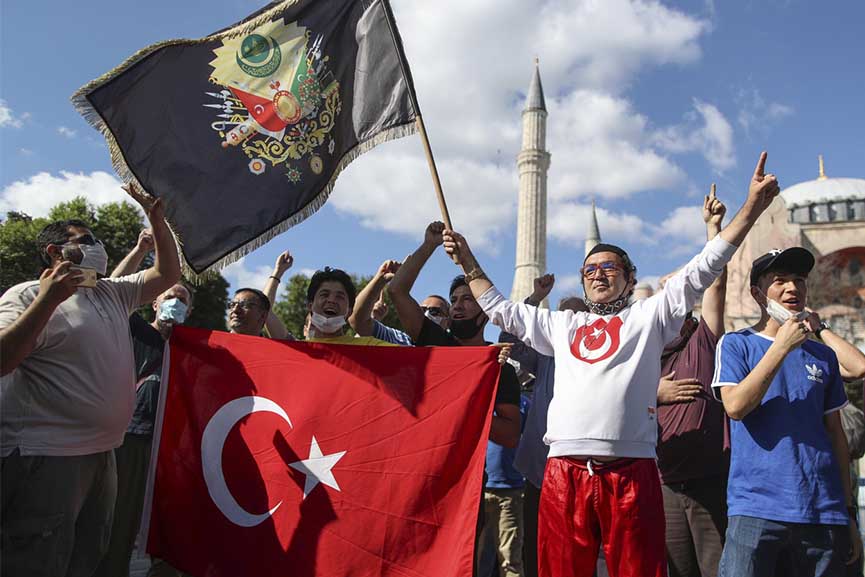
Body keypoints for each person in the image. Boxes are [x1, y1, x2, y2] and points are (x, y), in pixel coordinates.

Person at [440, 151, 782, 577]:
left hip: (633, 475)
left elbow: (705, 266)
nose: (599, 275)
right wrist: (467, 260)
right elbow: (498, 310)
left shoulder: (649, 316)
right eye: (589, 270)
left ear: (629, 278)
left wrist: (752, 207)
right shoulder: (561, 324)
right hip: (563, 474)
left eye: (609, 267)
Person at [0, 183, 181, 577]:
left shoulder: (111, 293)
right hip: (47, 455)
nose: (98, 246)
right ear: (54, 253)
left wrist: (157, 220)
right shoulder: (25, 295)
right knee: (38, 560)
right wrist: (48, 300)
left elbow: (169, 273)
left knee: (87, 555)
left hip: (103, 455)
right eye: (86, 240)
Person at [712, 246, 865, 577]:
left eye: (799, 280)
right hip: (757, 511)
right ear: (757, 293)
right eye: (779, 280)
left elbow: (837, 433)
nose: (792, 288)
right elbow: (736, 406)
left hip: (823, 513)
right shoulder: (737, 344)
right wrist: (781, 345)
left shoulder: (821, 355)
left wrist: (848, 512)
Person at [94, 230, 193, 577]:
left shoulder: (194, 353)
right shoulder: (135, 331)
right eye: (169, 296)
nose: (175, 304)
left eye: (182, 300)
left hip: (166, 450)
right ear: (153, 302)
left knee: (143, 522)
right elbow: (112, 290)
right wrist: (140, 250)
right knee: (112, 516)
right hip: (128, 438)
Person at [656, 186, 730, 577]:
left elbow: (716, 283)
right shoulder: (646, 352)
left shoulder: (704, 338)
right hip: (664, 483)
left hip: (708, 481)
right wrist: (656, 392)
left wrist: (713, 229)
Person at [499, 277, 587, 577]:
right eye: (563, 314)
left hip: (584, 472)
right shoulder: (546, 354)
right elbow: (508, 340)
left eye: (576, 314)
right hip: (541, 472)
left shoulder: (599, 357)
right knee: (537, 549)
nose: (569, 320)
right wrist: (535, 298)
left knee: (579, 550)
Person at [349, 259, 414, 345]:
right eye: (423, 309)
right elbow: (358, 322)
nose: (427, 313)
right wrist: (381, 279)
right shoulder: (401, 340)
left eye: (434, 311)